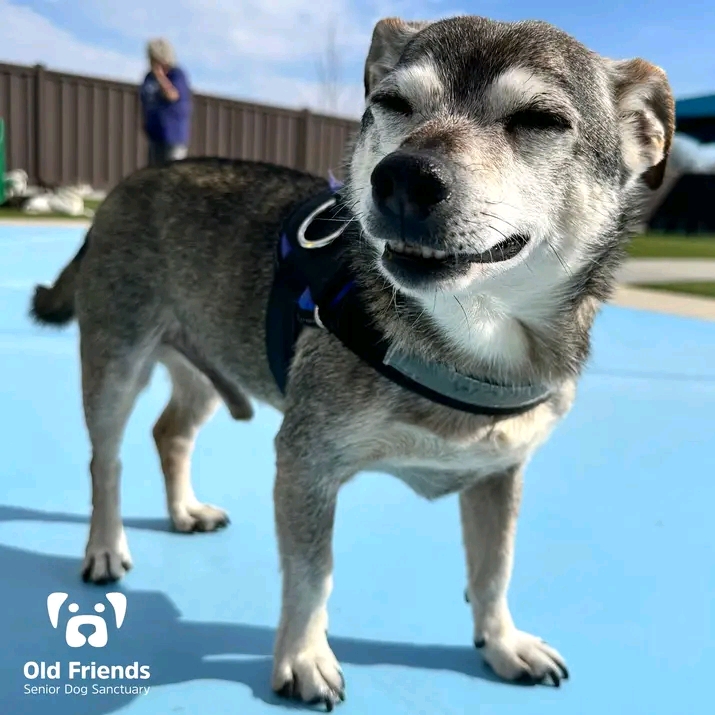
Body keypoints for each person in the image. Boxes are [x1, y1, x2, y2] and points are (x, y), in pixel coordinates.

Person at [139, 38, 192, 167]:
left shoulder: (177, 74)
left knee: (172, 175)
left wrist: (160, 77)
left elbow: (172, 95)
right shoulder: (148, 78)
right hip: (155, 137)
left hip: (173, 136)